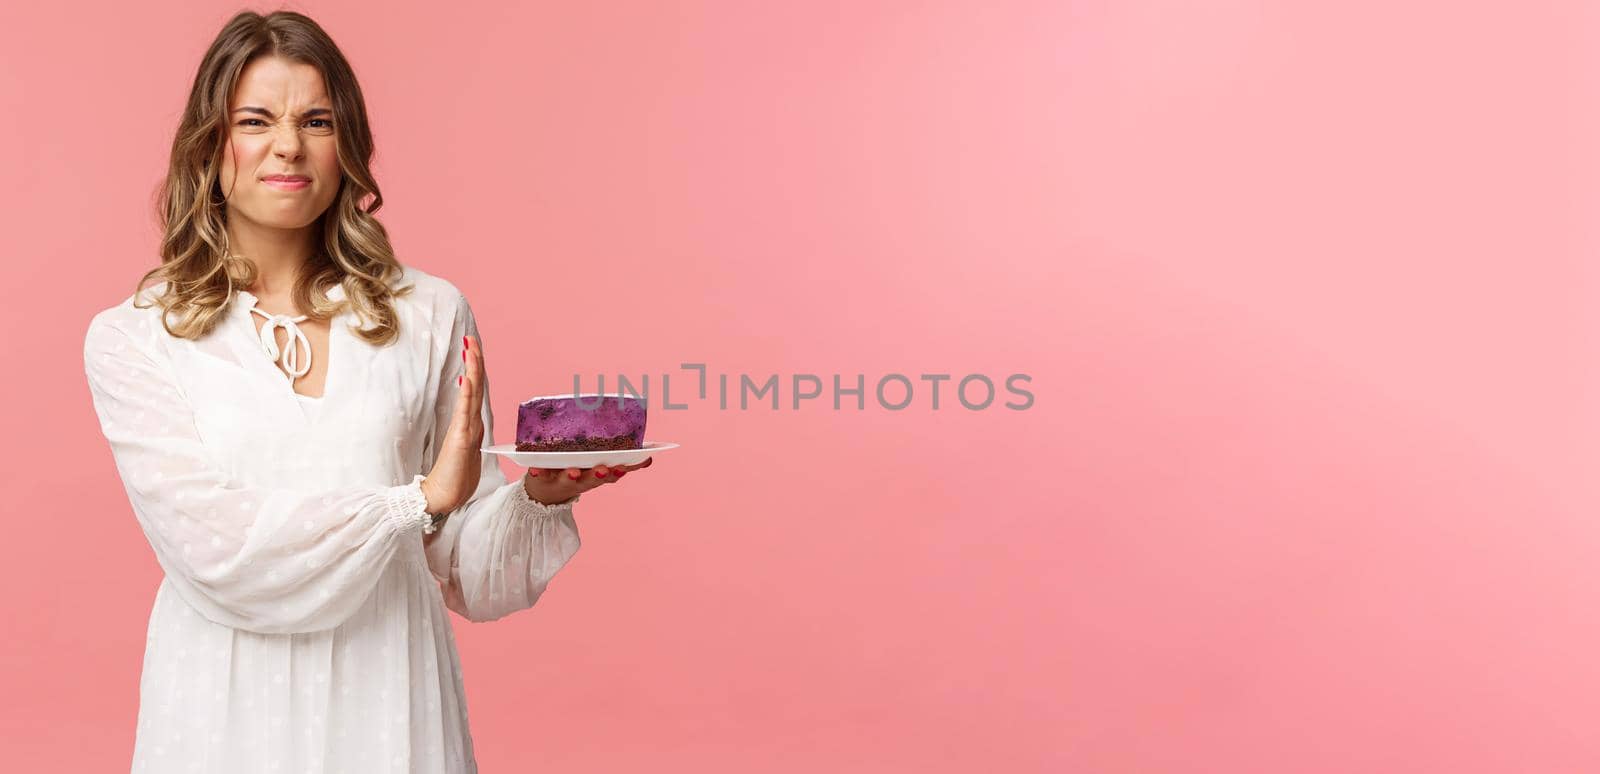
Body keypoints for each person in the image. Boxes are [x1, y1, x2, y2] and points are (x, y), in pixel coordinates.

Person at [81, 10, 649, 772]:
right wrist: (412, 501)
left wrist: (540, 496)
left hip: (391, 701)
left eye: (316, 120)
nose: (288, 145)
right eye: (256, 120)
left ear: (346, 144)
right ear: (209, 146)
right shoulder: (137, 336)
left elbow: (465, 572)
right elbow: (217, 552)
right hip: (222, 710)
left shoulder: (429, 313)